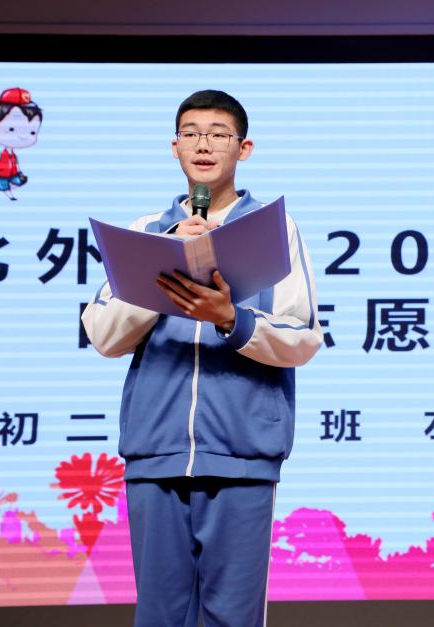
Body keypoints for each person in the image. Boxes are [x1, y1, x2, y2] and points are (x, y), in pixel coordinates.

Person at [81, 89, 323, 627]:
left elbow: (302, 337)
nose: (203, 145)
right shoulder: (147, 232)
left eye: (218, 134)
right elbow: (103, 335)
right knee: (159, 616)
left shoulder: (274, 229)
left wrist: (229, 318)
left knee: (233, 618)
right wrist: (163, 268)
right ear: (174, 147)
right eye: (190, 134)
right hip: (155, 452)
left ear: (244, 148)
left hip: (242, 454)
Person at [0, 87, 42, 201]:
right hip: (0, 176)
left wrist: (19, 172)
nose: (23, 136)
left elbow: (16, 164)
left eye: (32, 132)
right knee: (4, 187)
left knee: (20, 183)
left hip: (13, 174)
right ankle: (11, 197)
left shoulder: (13, 155)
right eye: (11, 129)